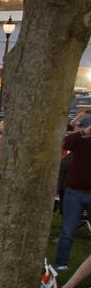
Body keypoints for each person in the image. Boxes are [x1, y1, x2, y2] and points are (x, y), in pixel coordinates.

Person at [54, 109, 91, 269]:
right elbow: (65, 142)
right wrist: (83, 131)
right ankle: (61, 263)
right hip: (74, 191)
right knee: (68, 230)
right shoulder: (80, 141)